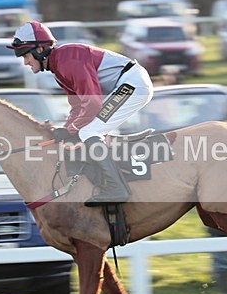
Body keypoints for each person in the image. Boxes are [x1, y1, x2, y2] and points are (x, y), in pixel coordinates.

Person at [8, 21, 153, 205]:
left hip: (133, 84)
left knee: (89, 132)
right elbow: (78, 107)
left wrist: (72, 130)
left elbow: (92, 104)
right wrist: (66, 129)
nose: (25, 62)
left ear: (40, 50)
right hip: (127, 84)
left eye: (25, 55)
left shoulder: (68, 59)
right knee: (86, 131)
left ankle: (117, 188)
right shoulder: (58, 67)